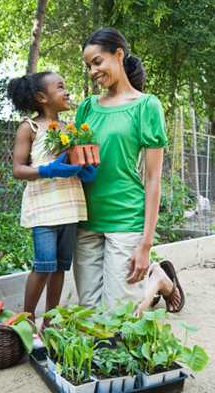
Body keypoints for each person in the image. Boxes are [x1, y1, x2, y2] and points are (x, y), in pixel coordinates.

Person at [73, 27, 184, 313]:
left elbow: (153, 177)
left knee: (117, 316)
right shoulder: (87, 108)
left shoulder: (146, 106)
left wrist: (145, 244)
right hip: (86, 221)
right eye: (88, 66)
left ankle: (157, 279)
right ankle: (158, 281)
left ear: (118, 54)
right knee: (89, 312)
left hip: (125, 218)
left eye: (97, 62)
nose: (92, 71)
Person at [7, 72, 96, 324]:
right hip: (44, 209)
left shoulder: (71, 129)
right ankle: (27, 318)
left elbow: (77, 162)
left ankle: (50, 320)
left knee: (60, 266)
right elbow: (18, 169)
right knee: (44, 265)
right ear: (41, 97)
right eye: (60, 87)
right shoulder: (30, 127)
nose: (67, 92)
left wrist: (86, 170)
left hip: (70, 206)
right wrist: (47, 170)